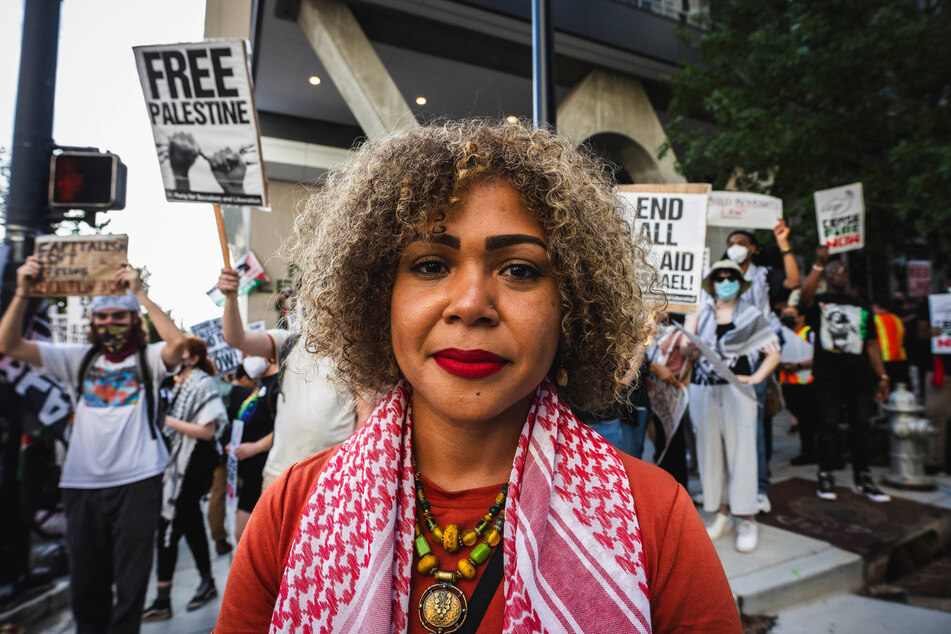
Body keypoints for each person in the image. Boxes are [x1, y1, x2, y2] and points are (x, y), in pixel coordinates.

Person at [215, 120, 740, 632]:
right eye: (430, 265)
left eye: (519, 269)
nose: (470, 306)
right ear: (379, 297)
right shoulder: (290, 510)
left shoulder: (657, 517)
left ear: (572, 306)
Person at [0, 257, 185, 633]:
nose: (110, 324)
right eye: (102, 318)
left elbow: (178, 344)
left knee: (131, 586)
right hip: (81, 486)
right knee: (87, 587)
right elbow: (8, 344)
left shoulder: (147, 360)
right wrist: (23, 292)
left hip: (138, 483)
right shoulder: (76, 359)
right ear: (93, 324)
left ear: (133, 322)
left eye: (119, 317)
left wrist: (139, 294)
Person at [218, 271, 359, 493]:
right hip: (279, 475)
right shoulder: (287, 342)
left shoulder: (357, 352)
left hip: (332, 480)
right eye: (307, 296)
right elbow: (236, 338)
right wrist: (231, 297)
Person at [686, 260, 780, 553]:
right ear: (712, 282)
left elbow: (773, 353)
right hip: (704, 390)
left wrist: (755, 378)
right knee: (710, 453)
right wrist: (688, 345)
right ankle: (722, 513)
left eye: (730, 277)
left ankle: (747, 519)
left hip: (738, 392)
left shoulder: (751, 314)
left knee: (742, 455)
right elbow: (687, 350)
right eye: (719, 277)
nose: (725, 281)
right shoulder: (701, 312)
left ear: (739, 282)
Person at [142, 337, 228, 622]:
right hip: (181, 462)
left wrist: (164, 420)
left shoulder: (201, 382)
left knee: (169, 523)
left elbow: (207, 431)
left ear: (192, 357)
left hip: (194, 462)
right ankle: (205, 584)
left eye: (182, 351)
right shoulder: (181, 381)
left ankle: (163, 599)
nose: (175, 354)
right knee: (188, 522)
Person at [800, 247, 892, 502]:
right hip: (829, 375)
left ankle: (862, 476)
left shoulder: (862, 305)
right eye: (833, 271)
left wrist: (882, 376)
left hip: (860, 376)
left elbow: (871, 343)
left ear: (848, 276)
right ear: (827, 277)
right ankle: (825, 473)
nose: (839, 274)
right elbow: (804, 298)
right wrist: (818, 264)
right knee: (828, 424)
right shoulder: (819, 303)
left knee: (861, 425)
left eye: (842, 270)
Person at [723, 223, 801, 514]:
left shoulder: (765, 275)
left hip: (756, 355)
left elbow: (793, 281)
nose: (736, 246)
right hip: (726, 355)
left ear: (754, 248)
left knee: (752, 426)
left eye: (742, 242)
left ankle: (759, 487)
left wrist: (784, 243)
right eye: (732, 242)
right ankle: (733, 483)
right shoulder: (720, 275)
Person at [206, 358, 264, 556]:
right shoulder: (242, 394)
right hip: (239, 454)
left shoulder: (212, 392)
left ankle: (220, 539)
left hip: (226, 451)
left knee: (220, 494)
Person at [229, 357, 278, 543]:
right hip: (250, 473)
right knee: (244, 537)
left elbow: (284, 428)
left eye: (251, 353)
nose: (246, 359)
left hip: (264, 470)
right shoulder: (260, 387)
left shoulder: (277, 386)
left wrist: (255, 447)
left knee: (253, 538)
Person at [778, 304, 817, 465]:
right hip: (788, 383)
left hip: (807, 384)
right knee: (800, 419)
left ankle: (811, 452)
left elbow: (818, 357)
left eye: (791, 314)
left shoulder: (809, 333)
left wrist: (799, 365)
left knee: (810, 420)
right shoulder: (782, 334)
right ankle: (806, 451)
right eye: (785, 314)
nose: (787, 316)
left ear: (801, 317)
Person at [871, 296, 910, 387]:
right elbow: (903, 335)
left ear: (876, 305)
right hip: (900, 357)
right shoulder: (897, 319)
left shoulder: (875, 319)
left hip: (884, 358)